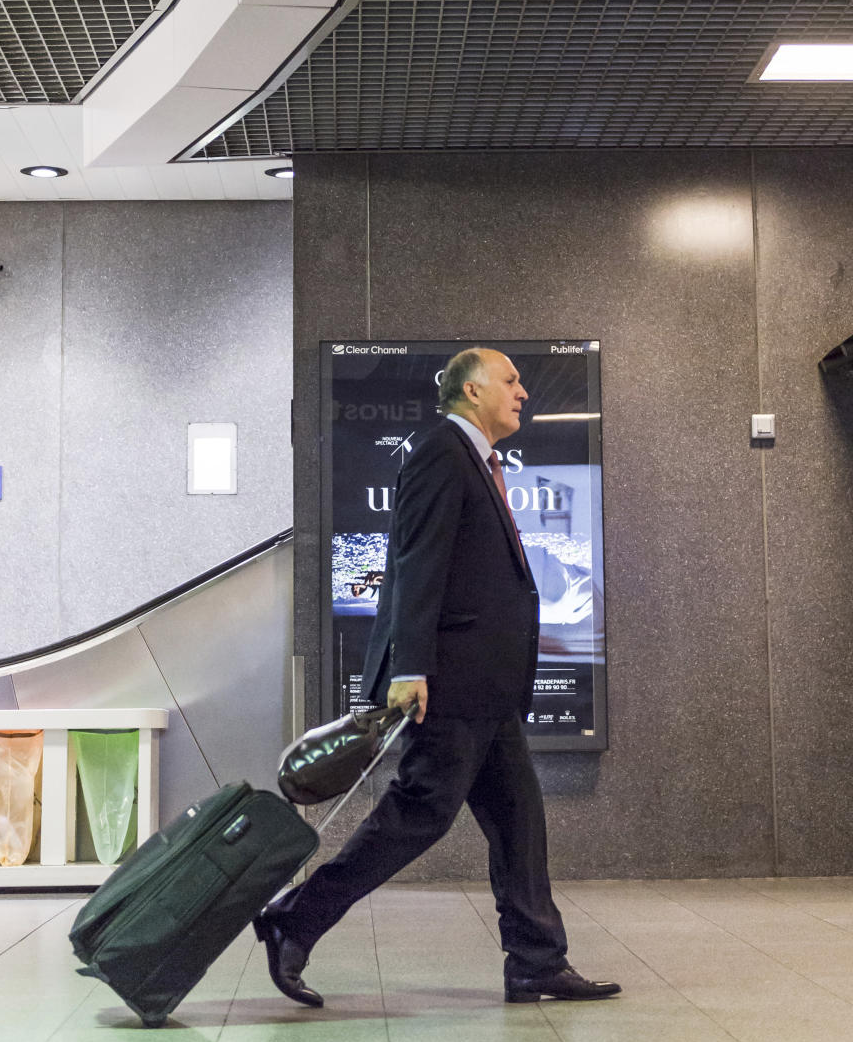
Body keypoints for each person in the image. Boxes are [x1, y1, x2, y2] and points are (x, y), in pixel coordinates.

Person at [254, 347, 621, 1006]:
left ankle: (537, 959)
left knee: (519, 822)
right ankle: (295, 919)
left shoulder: (472, 459)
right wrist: (412, 665)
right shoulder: (441, 453)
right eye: (511, 381)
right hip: (451, 683)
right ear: (472, 389)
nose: (524, 392)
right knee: (419, 815)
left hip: (486, 687)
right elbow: (419, 564)